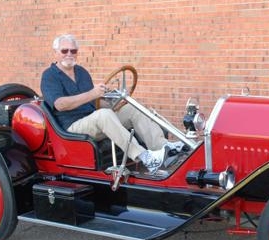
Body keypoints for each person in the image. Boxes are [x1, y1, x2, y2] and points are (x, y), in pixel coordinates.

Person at [40, 34, 182, 173]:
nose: (69, 54)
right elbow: (60, 104)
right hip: (71, 126)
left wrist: (116, 101)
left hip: (94, 119)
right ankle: (146, 158)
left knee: (132, 109)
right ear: (56, 53)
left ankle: (164, 148)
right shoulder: (49, 76)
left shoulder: (81, 72)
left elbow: (93, 102)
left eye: (73, 50)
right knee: (104, 115)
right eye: (64, 50)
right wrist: (93, 94)